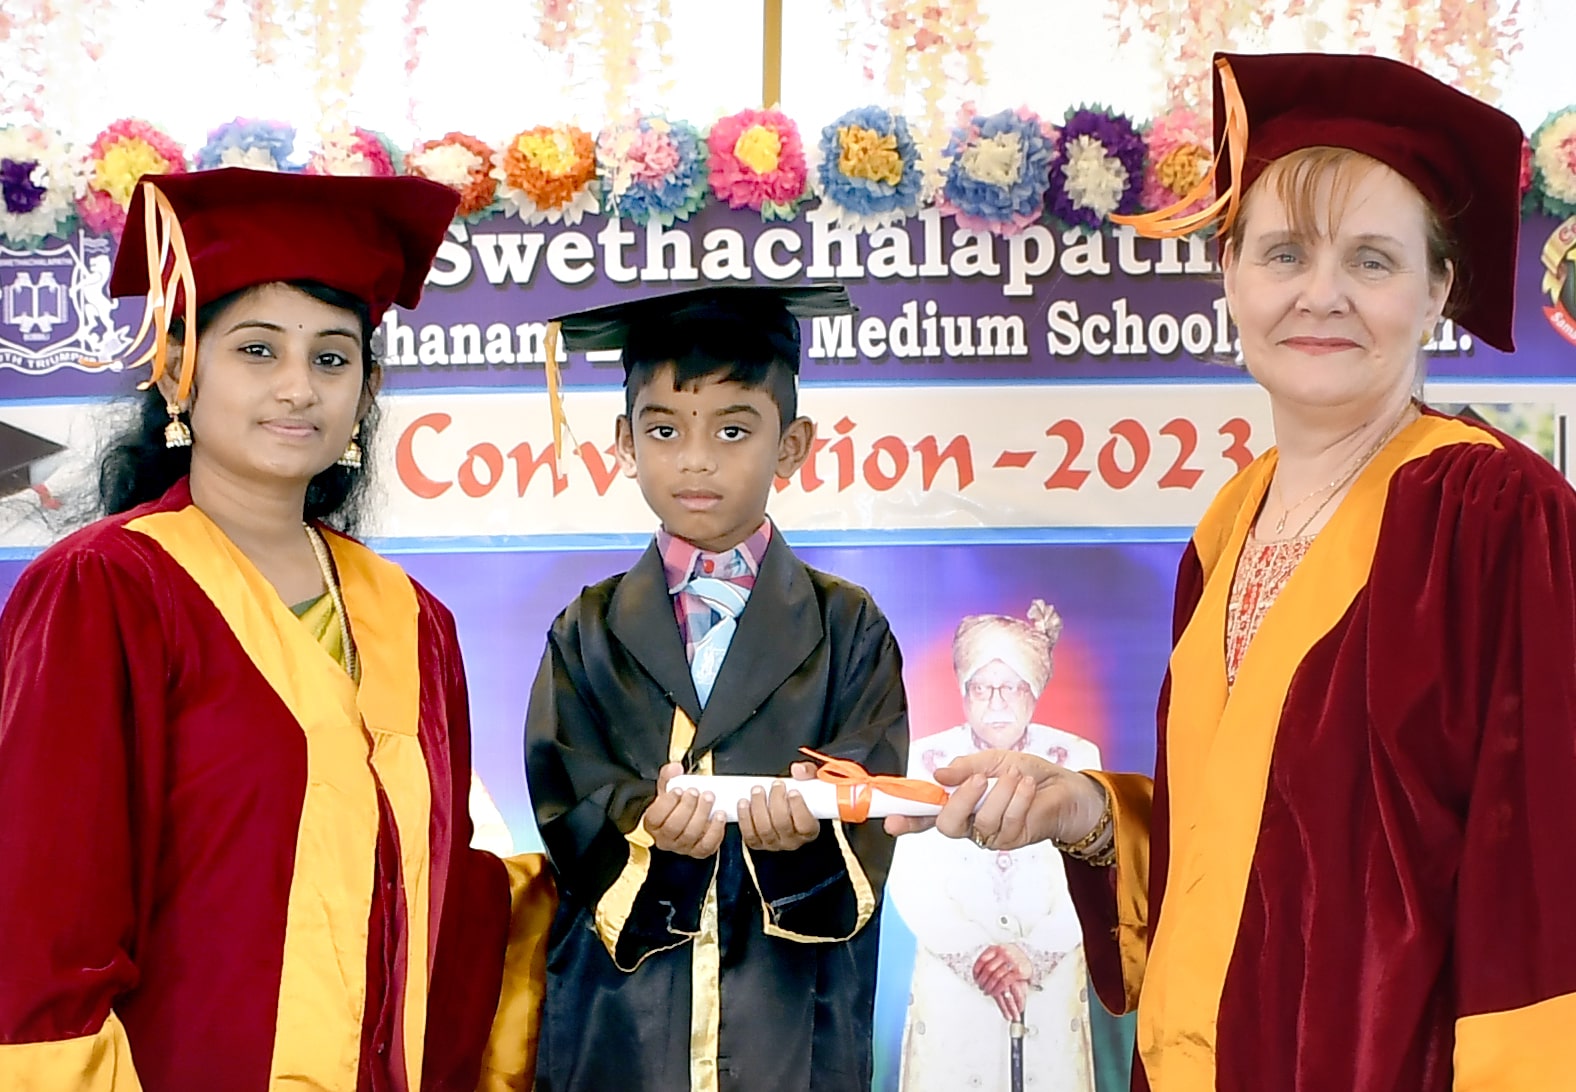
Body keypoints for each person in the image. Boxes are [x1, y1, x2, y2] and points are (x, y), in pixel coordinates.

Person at [887, 52, 1576, 1092]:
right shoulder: (1228, 523)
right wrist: (1087, 816)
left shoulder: (1490, 513)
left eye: (1373, 261)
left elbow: (1544, 883)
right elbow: (1241, 846)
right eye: (1285, 252)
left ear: (1438, 287)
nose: (1321, 295)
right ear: (1230, 274)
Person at [0, 167, 554, 1091]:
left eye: (332, 359)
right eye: (258, 350)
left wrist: (629, 864)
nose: (299, 388)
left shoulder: (412, 617)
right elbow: (41, 920)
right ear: (178, 370)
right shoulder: (109, 590)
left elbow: (446, 900)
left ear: (366, 393)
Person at [524, 284, 909, 1092]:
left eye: (733, 430)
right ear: (625, 443)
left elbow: (866, 803)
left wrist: (801, 845)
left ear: (791, 445)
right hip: (623, 1027)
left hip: (790, 1019)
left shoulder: (848, 628)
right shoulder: (586, 632)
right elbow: (569, 802)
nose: (696, 459)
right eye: (665, 430)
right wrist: (653, 841)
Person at [886, 601, 1101, 1092]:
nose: (997, 702)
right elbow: (909, 878)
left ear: (1034, 692)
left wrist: (1033, 954)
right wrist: (977, 957)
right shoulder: (927, 759)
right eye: (982, 688)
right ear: (964, 693)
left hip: (1048, 966)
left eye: (1011, 688)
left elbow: (1093, 870)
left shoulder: (1075, 757)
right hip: (954, 974)